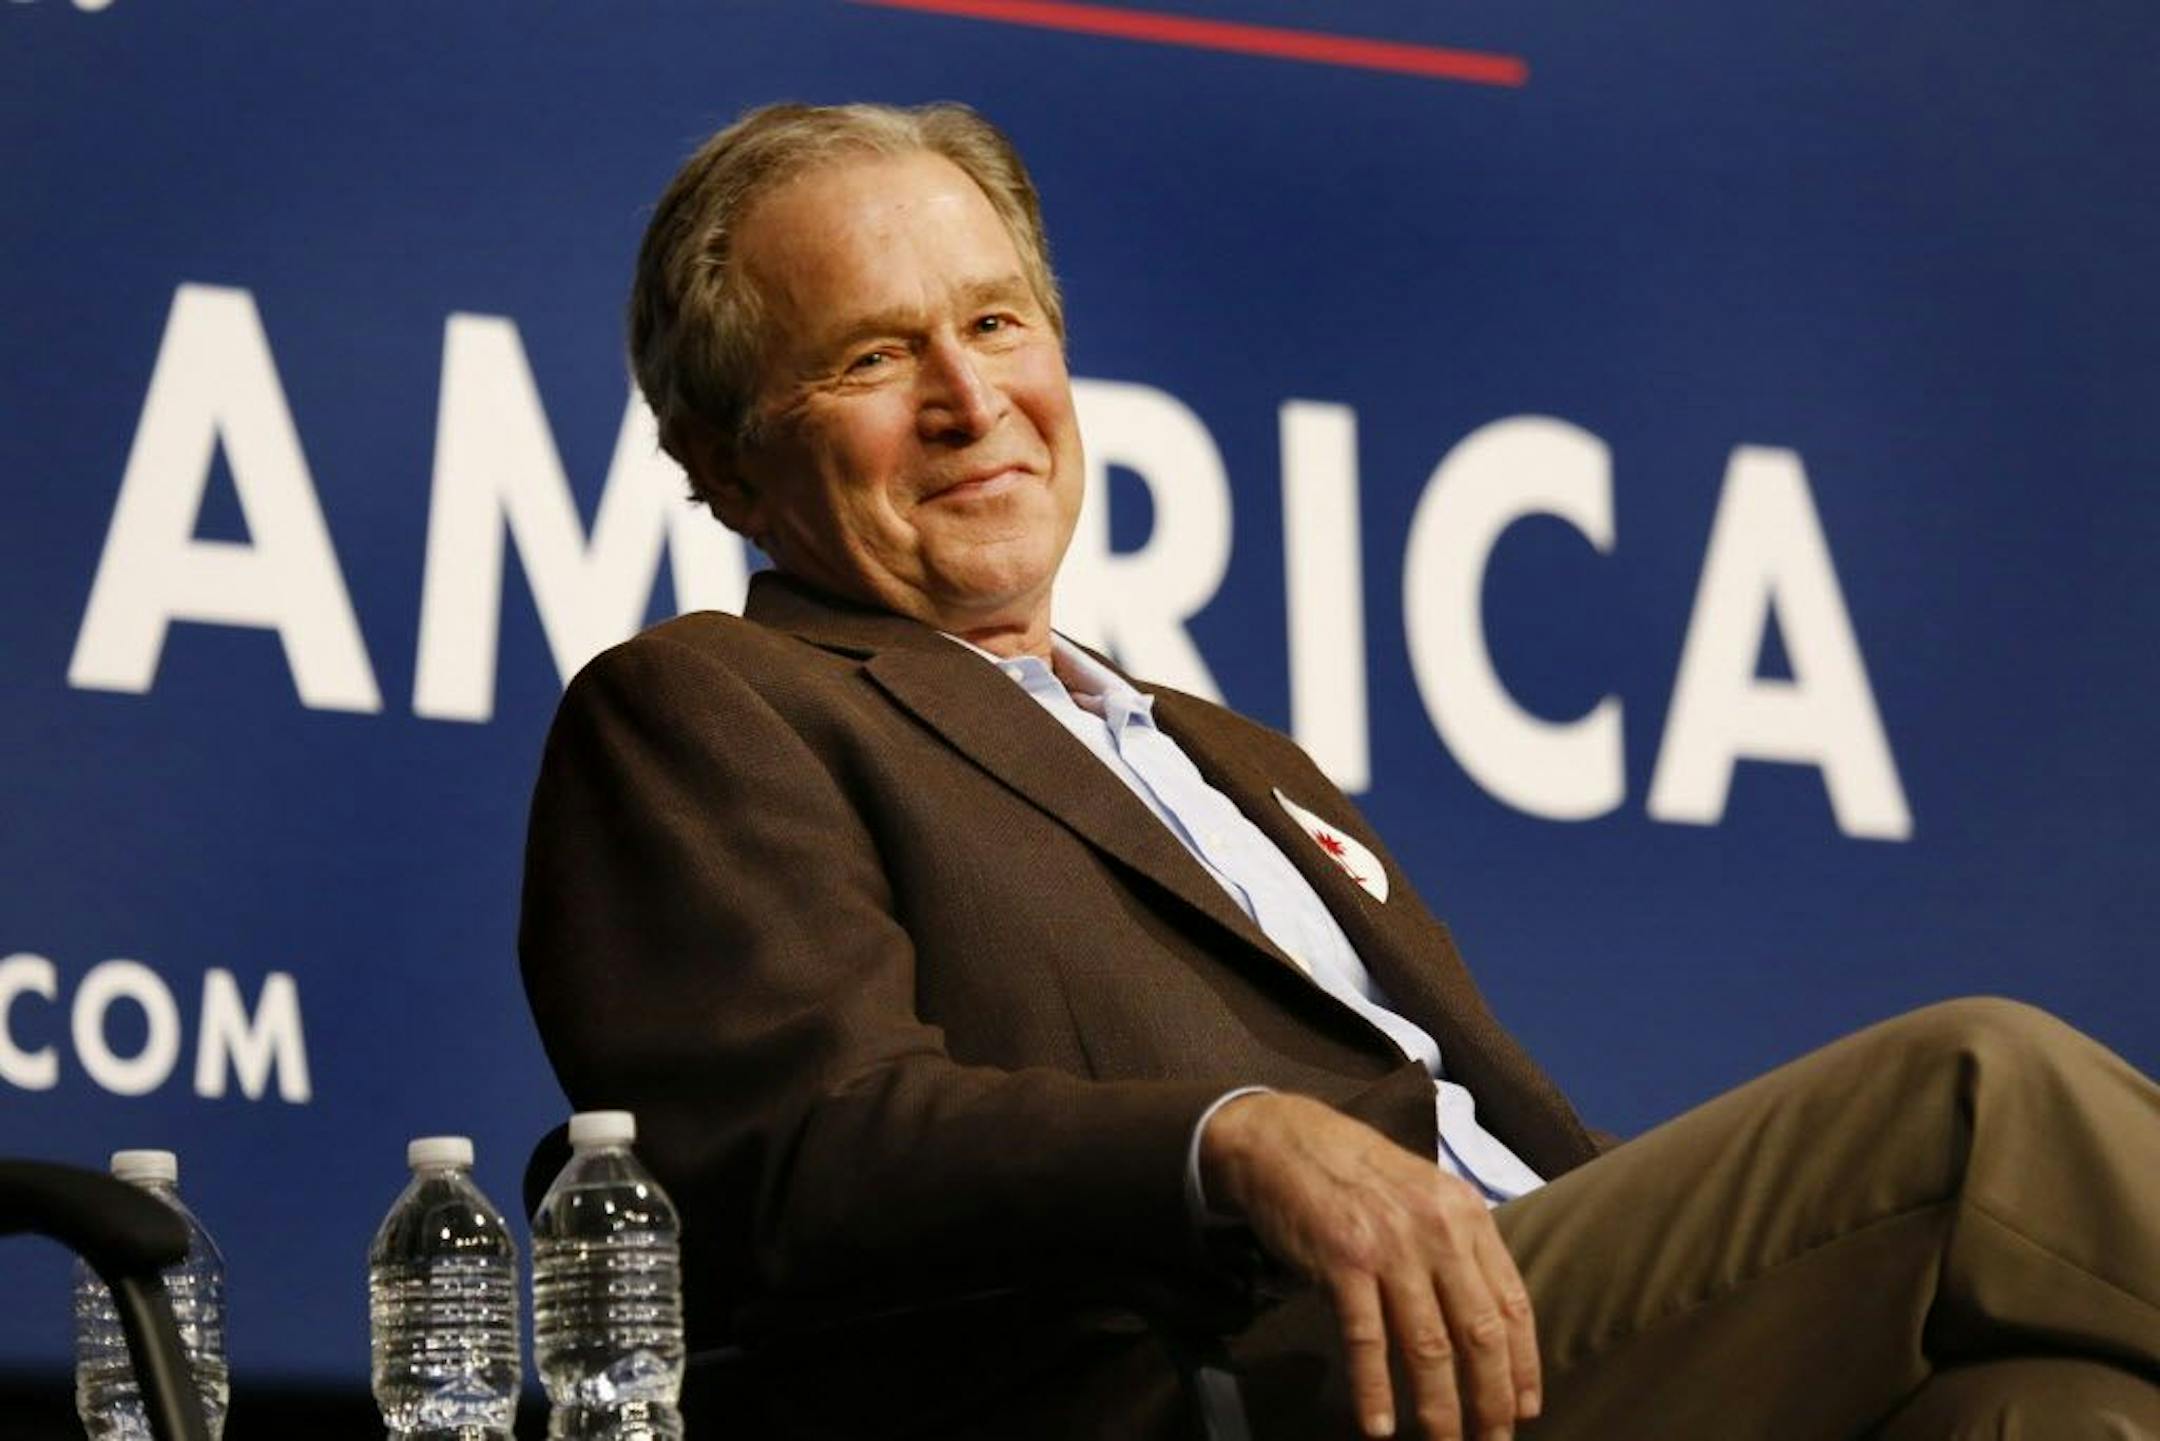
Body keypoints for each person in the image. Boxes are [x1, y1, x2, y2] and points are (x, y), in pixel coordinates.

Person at [519, 101, 2160, 1440]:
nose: (971, 400)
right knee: (1979, 1095)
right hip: (1275, 1381)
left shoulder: (1240, 759)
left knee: (2051, 1406)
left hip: (1533, 1337)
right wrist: (1224, 1137)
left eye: (997, 322)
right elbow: (808, 1150)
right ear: (726, 458)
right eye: (874, 359)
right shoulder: (709, 707)